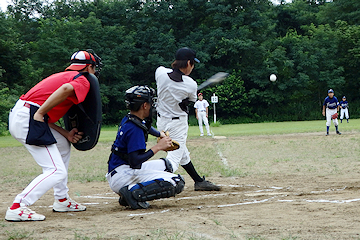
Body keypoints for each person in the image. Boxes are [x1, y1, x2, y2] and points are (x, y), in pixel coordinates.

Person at [5, 50, 102, 221]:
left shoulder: (63, 75)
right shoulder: (82, 79)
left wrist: (66, 133)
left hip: (23, 114)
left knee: (63, 145)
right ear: (89, 67)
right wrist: (41, 113)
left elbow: (42, 112)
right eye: (94, 68)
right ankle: (18, 206)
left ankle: (62, 199)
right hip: (29, 117)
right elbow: (62, 93)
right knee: (56, 170)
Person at [106, 86, 185, 210]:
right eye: (150, 102)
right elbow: (135, 161)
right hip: (124, 174)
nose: (152, 105)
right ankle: (131, 193)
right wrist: (158, 147)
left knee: (166, 165)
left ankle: (130, 191)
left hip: (120, 170)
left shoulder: (130, 119)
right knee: (176, 181)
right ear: (144, 105)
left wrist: (160, 134)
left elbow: (146, 127)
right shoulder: (135, 129)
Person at [155, 47, 221, 191]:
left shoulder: (160, 72)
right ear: (189, 63)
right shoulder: (191, 84)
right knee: (173, 161)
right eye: (193, 64)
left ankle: (198, 181)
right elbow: (190, 99)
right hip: (177, 124)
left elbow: (172, 82)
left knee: (182, 153)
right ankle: (147, 183)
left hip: (161, 123)